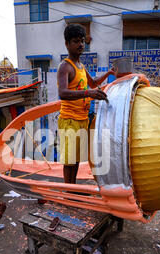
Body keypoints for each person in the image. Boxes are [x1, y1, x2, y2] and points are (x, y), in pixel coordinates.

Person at [57, 24, 114, 184]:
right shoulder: (65, 67)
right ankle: (69, 192)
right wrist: (88, 93)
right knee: (69, 161)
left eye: (82, 41)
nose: (81, 45)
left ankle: (72, 189)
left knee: (75, 160)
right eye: (76, 41)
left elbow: (93, 83)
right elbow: (62, 93)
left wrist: (109, 73)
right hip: (69, 120)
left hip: (82, 120)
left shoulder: (81, 66)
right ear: (67, 44)